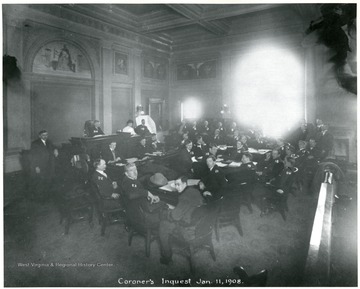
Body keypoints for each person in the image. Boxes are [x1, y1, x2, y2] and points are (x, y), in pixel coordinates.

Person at [159, 176, 205, 265]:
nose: (176, 187)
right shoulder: (195, 191)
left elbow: (175, 216)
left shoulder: (184, 197)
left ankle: (167, 258)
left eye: (178, 184)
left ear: (185, 184)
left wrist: (167, 212)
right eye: (175, 184)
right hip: (201, 226)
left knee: (163, 225)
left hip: (189, 230)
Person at [29, 130, 59, 200]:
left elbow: (54, 146)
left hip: (50, 165)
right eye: (43, 135)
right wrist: (36, 166)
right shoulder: (35, 143)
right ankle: (39, 198)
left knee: (48, 180)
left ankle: (47, 196)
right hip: (40, 165)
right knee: (40, 182)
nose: (45, 137)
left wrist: (55, 149)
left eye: (46, 135)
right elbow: (33, 156)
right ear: (39, 136)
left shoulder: (49, 141)